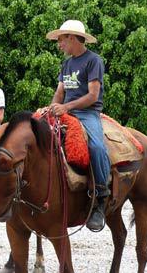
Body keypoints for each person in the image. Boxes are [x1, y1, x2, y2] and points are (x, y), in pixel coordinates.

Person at [46, 20, 111, 232]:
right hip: (67, 110)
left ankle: (101, 198)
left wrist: (66, 107)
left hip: (87, 113)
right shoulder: (66, 64)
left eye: (61, 40)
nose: (59, 44)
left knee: (97, 147)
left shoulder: (93, 61)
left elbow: (93, 95)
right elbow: (60, 91)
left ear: (72, 38)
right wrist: (53, 107)